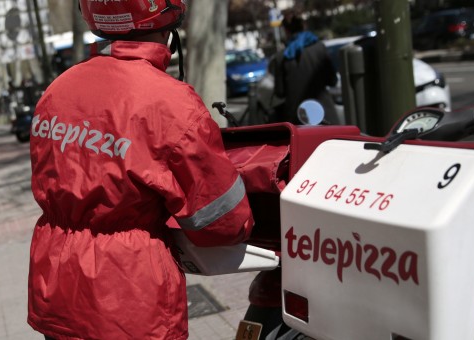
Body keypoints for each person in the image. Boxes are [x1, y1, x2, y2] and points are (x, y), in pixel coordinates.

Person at [26, 1, 254, 340]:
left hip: (57, 293)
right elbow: (224, 222)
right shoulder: (171, 103)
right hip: (129, 300)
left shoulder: (56, 91)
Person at [271, 10, 339, 124]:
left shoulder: (281, 57)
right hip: (325, 115)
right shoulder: (319, 48)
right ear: (303, 26)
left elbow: (280, 92)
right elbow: (333, 81)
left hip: (298, 118)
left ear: (286, 31)